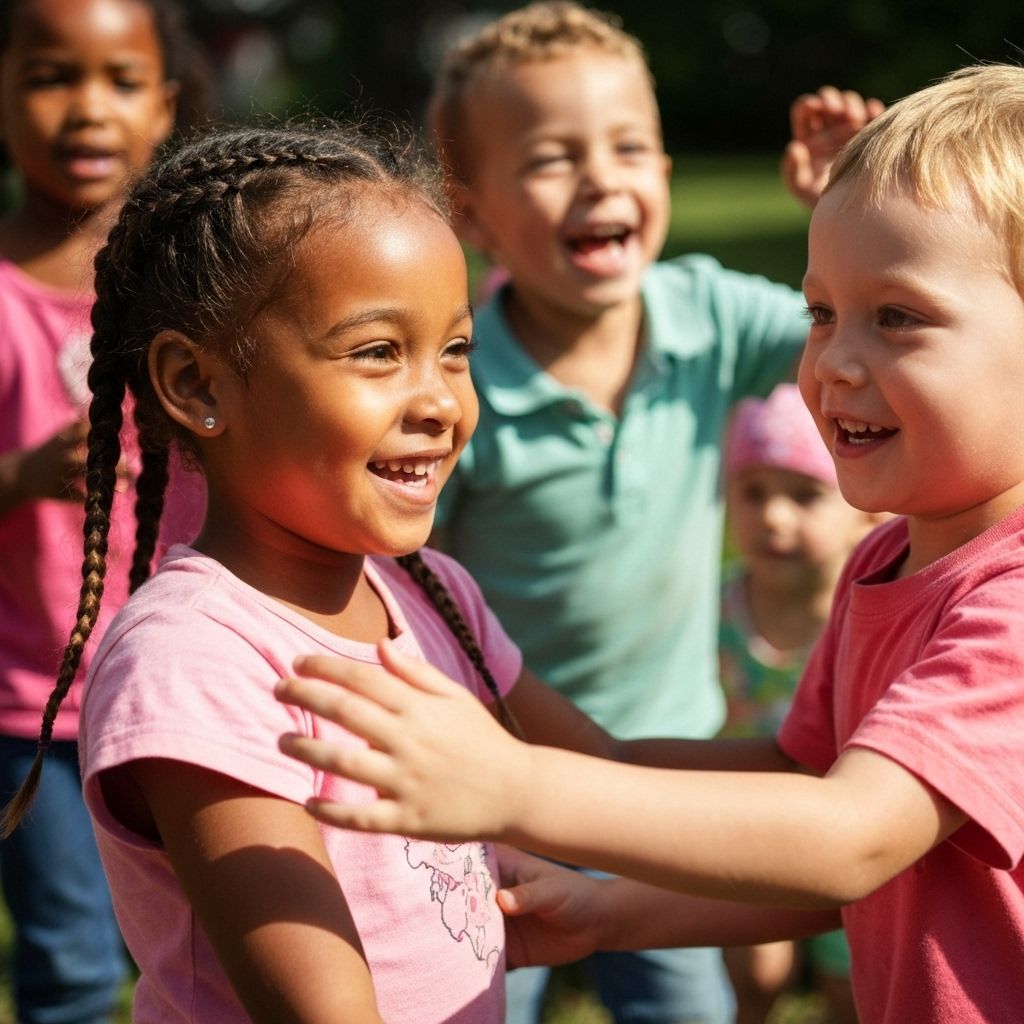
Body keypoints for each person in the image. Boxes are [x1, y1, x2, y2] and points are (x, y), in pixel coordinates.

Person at [273, 62, 1024, 1024]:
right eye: (821, 312)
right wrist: (613, 909)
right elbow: (805, 800)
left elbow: (852, 838)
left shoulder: (1006, 599)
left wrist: (517, 786)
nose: (834, 361)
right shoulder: (889, 561)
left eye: (898, 318)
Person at [0, 117, 757, 1024]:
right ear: (198, 386)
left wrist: (846, 765)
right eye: (376, 353)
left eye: (456, 350)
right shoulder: (194, 664)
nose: (439, 400)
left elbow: (613, 769)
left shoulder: (427, 591)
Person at [425, 4, 879, 1020]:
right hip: (504, 785)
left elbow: (856, 339)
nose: (600, 177)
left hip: (674, 777)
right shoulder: (459, 386)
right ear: (472, 215)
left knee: (685, 1003)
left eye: (629, 146)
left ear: (664, 174)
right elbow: (415, 591)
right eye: (550, 158)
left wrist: (844, 212)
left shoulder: (707, 316)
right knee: (480, 993)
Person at [0, 1, 211, 1020]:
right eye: (50, 76)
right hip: (31, 707)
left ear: (165, 106)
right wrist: (17, 476)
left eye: (121, 81)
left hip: (194, 689)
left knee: (213, 948)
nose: (87, 109)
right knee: (75, 968)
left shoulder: (199, 286)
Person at [718, 383, 870, 1024]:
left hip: (855, 837)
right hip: (747, 831)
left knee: (853, 988)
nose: (773, 518)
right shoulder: (716, 608)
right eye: (753, 493)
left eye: (805, 496)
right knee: (754, 973)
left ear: (866, 511)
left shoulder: (870, 618)